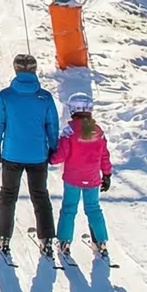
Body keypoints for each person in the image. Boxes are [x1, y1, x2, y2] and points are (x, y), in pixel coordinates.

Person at [0, 53, 61, 256]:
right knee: (40, 196)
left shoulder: (6, 96)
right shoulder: (44, 97)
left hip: (12, 154)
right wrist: (53, 147)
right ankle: (46, 239)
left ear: (16, 70)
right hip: (38, 155)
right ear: (34, 70)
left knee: (8, 195)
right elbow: (52, 125)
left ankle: (3, 237)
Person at [50, 93, 114, 261]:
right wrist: (106, 174)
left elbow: (61, 155)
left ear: (72, 110)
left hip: (73, 178)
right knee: (93, 209)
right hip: (92, 179)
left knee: (69, 209)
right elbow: (104, 156)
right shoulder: (98, 132)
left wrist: (51, 157)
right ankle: (101, 242)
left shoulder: (70, 131)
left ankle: (64, 242)